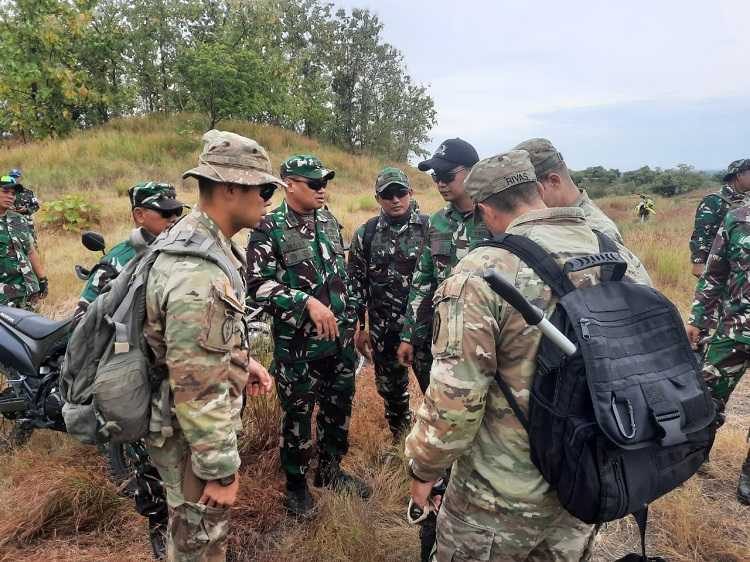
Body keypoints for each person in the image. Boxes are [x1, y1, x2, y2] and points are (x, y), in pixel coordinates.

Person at [405, 150, 652, 562]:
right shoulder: (617, 255)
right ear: (538, 189)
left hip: (498, 499)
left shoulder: (482, 272)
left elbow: (456, 405)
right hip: (587, 478)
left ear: (484, 210)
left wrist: (423, 469)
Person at [143, 130, 277, 562]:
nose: (268, 198)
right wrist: (219, 471)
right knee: (199, 543)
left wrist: (240, 363)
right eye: (264, 188)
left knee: (193, 534)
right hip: (188, 437)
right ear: (230, 188)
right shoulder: (198, 273)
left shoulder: (201, 242)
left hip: (186, 427)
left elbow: (198, 346)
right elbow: (197, 388)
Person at [246, 154, 371, 517]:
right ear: (289, 184)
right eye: (314, 184)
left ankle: (331, 472)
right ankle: (297, 487)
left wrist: (353, 321)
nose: (323, 189)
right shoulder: (269, 227)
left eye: (325, 183)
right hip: (299, 349)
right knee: (298, 418)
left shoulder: (329, 220)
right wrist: (305, 302)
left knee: (338, 409)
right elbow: (257, 286)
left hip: (340, 343)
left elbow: (340, 275)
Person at [396, 138, 488, 391]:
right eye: (437, 176)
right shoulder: (437, 222)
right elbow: (422, 281)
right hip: (444, 337)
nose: (440, 183)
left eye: (447, 175)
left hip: (485, 339)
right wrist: (409, 336)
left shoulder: (495, 216)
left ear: (473, 172)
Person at [347, 167, 429, 438]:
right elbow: (356, 285)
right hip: (384, 333)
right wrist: (361, 328)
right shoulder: (365, 234)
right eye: (388, 194)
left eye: (400, 193)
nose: (395, 200)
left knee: (437, 391)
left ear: (411, 193)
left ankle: (436, 451)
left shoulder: (431, 229)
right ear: (378, 198)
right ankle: (401, 440)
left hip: (424, 332)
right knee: (391, 393)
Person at [686, 195, 750, 506]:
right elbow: (715, 272)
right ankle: (694, 457)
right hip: (733, 329)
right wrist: (698, 318)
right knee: (706, 393)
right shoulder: (737, 218)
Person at [74, 181, 187, 318]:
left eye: (177, 212)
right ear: (139, 215)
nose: (174, 219)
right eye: (166, 213)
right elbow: (81, 322)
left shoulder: (179, 251)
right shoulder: (117, 263)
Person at [513, 138, 624, 243]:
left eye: (532, 191)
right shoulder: (552, 218)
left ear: (554, 181)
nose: (527, 200)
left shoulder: (599, 232)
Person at [689, 159, 750, 277]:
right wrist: (698, 262)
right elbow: (701, 233)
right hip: (718, 266)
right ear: (739, 175)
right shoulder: (714, 201)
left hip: (742, 267)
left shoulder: (746, 201)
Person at [0, 175, 47, 310]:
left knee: (32, 329)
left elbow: (30, 251)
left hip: (27, 291)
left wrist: (42, 279)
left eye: (13, 194)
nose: (10, 196)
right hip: (4, 296)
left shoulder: (19, 220)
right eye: (5, 191)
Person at [8, 169, 40, 238]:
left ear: (20, 178)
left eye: (16, 177)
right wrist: (8, 209)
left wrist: (26, 209)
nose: (14, 179)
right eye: (12, 177)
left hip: (26, 222)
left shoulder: (28, 192)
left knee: (31, 242)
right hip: (9, 221)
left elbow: (36, 206)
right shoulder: (4, 192)